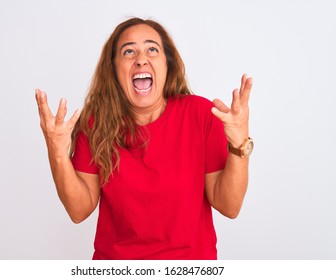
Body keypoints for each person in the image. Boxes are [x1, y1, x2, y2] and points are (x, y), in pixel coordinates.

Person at [35, 17, 254, 260]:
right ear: (114, 69)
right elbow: (78, 210)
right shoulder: (94, 124)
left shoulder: (201, 115)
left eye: (152, 49)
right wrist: (56, 151)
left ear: (167, 64)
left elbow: (230, 206)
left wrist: (238, 145)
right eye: (129, 51)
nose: (141, 59)